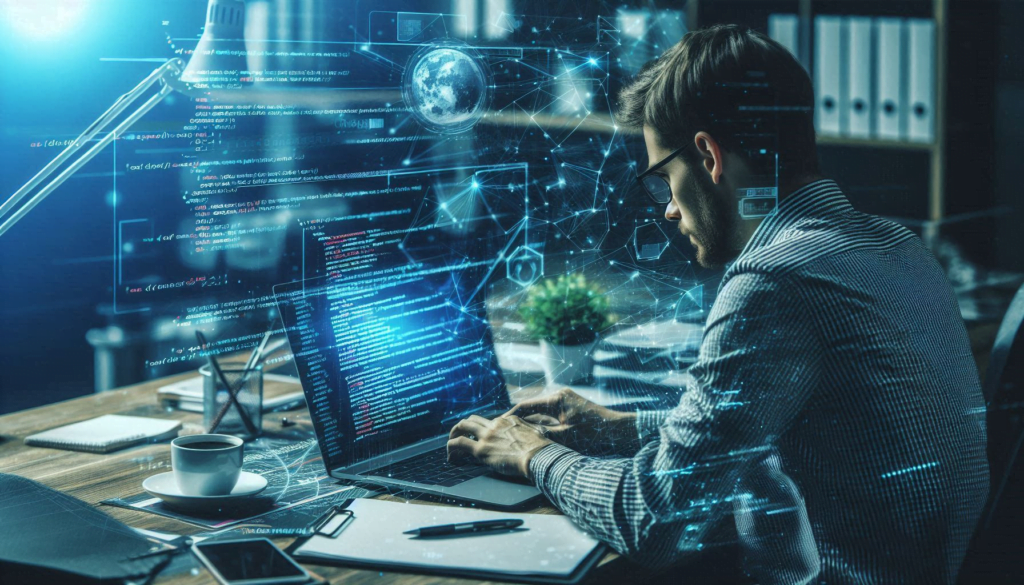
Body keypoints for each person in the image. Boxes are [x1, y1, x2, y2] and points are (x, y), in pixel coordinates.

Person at [446, 24, 989, 583]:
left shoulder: (776, 279)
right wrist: (620, 429)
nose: (668, 210)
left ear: (706, 156)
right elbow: (772, 425)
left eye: (665, 178)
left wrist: (534, 455)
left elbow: (656, 521)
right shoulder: (898, 246)